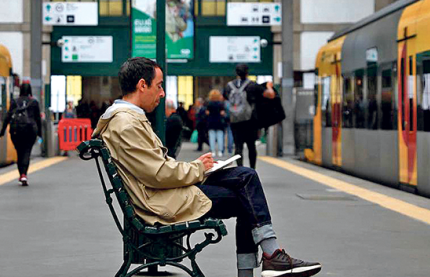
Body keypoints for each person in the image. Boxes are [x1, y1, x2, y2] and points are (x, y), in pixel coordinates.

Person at [92, 57, 322, 277]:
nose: (162, 93)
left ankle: (271, 256)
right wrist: (198, 168)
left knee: (246, 176)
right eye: (159, 86)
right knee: (246, 196)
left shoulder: (125, 119)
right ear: (142, 85)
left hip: (161, 194)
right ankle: (270, 257)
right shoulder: (126, 123)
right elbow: (158, 174)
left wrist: (201, 167)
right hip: (159, 202)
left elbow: (154, 170)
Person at [224, 64, 276, 169]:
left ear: (236, 73)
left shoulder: (229, 86)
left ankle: (240, 170)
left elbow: (225, 99)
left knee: (238, 147)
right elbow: (270, 95)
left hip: (235, 120)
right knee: (251, 146)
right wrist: (269, 86)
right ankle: (252, 170)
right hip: (250, 121)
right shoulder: (252, 85)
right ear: (247, 72)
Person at [0, 82, 42, 186]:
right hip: (30, 130)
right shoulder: (34, 102)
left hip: (16, 130)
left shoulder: (14, 102)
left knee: (19, 152)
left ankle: (21, 174)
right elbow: (38, 119)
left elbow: (8, 117)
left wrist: (1, 132)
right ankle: (24, 174)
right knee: (27, 151)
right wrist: (40, 134)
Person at [205, 89, 227, 158]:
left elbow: (207, 113)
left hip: (211, 122)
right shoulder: (221, 104)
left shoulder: (209, 103)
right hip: (219, 122)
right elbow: (223, 113)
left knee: (212, 137)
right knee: (220, 137)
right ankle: (220, 151)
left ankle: (213, 151)